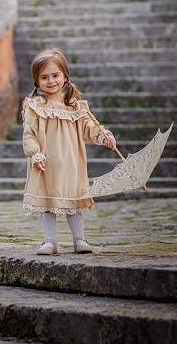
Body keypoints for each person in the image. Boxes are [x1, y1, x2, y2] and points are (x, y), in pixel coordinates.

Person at [22, 48, 117, 255]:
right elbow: (28, 133)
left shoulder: (75, 105)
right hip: (46, 160)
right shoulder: (35, 105)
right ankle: (49, 241)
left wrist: (103, 136)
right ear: (37, 81)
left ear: (65, 76)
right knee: (48, 199)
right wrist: (34, 153)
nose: (51, 81)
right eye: (44, 77)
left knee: (74, 197)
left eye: (55, 75)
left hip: (72, 161)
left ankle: (79, 239)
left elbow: (89, 127)